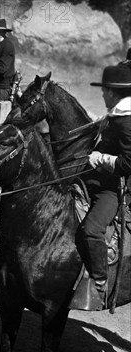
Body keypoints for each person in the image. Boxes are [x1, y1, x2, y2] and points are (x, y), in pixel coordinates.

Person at [78, 64, 131, 297]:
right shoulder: (114, 115)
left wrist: (102, 159)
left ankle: (100, 280)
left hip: (115, 187)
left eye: (104, 90)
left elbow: (129, 164)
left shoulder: (126, 121)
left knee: (92, 229)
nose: (101, 94)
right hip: (96, 177)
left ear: (111, 92)